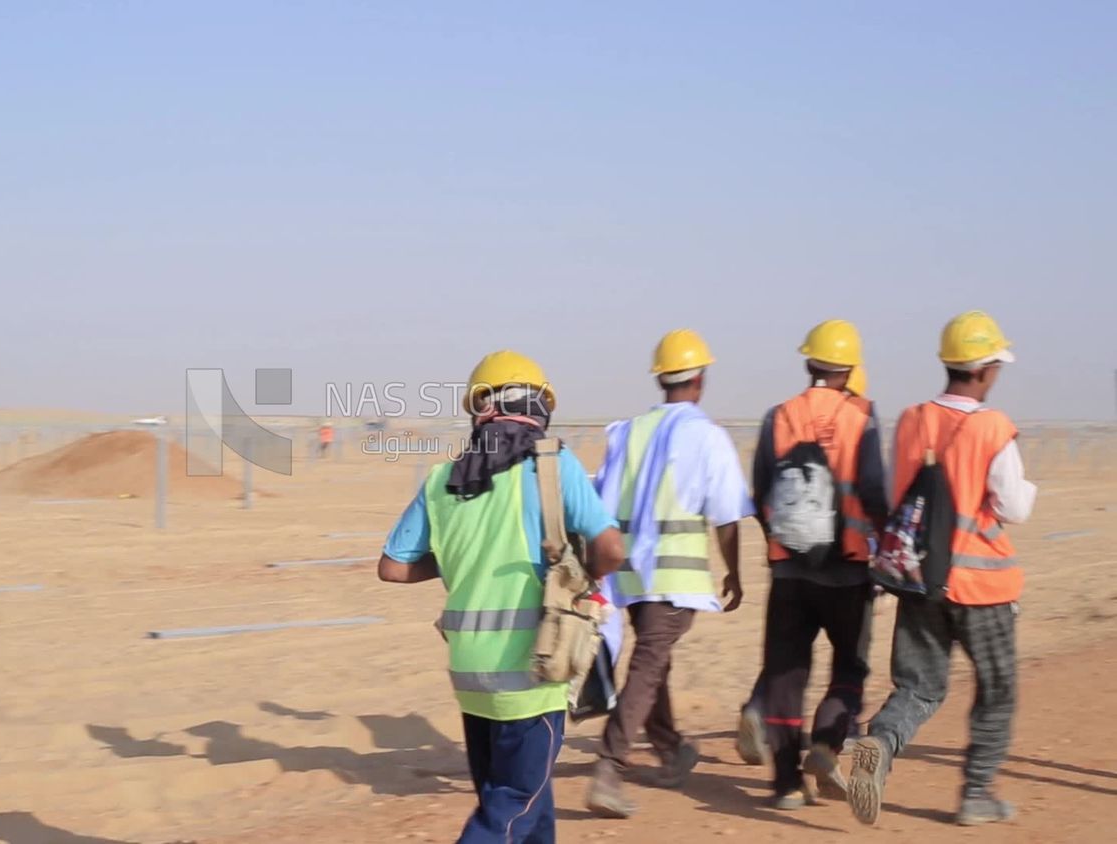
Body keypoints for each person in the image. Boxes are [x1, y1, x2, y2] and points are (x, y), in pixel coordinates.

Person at [378, 350, 625, 843]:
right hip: (535, 667)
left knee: (525, 799)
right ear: (540, 407)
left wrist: (454, 560)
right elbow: (611, 548)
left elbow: (393, 567)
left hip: (471, 671)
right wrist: (583, 581)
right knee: (510, 807)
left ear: (479, 409)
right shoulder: (551, 464)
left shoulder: (441, 480)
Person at [847, 310, 1036, 827]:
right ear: (984, 369)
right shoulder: (994, 427)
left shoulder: (911, 420)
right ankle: (976, 793)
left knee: (919, 687)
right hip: (983, 586)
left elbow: (892, 494)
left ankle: (878, 747)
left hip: (919, 580)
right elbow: (1014, 507)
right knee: (997, 690)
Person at [586, 329, 752, 819]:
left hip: (629, 575)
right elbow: (726, 516)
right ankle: (608, 768)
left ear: (661, 378)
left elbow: (604, 499)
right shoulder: (707, 435)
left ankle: (672, 747)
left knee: (653, 661)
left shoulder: (629, 430)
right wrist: (735, 574)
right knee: (649, 664)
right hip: (674, 577)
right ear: (700, 380)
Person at [744, 320, 889, 809]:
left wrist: (779, 546)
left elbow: (760, 491)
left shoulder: (778, 416)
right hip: (848, 569)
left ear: (809, 362)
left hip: (789, 572)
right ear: (850, 368)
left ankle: (785, 784)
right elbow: (872, 492)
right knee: (849, 666)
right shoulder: (861, 417)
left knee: (786, 674)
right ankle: (826, 746)